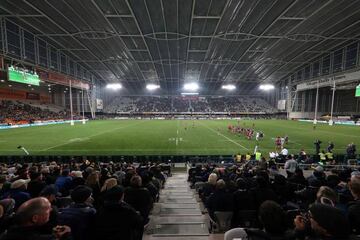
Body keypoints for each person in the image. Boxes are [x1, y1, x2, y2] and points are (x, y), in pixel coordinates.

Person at [0, 197, 71, 240]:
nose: (51, 209)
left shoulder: (7, 229)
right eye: (48, 209)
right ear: (35, 218)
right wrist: (65, 236)